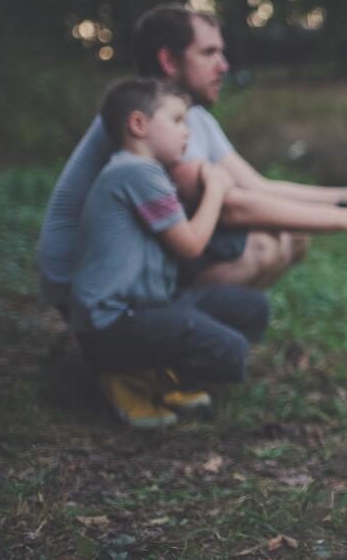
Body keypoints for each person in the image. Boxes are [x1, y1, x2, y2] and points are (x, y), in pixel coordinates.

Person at [38, 2, 347, 309]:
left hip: (131, 265)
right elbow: (232, 205)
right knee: (262, 245)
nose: (223, 65)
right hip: (83, 286)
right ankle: (159, 351)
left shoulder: (190, 116)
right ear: (168, 60)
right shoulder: (151, 126)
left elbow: (257, 186)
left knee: (292, 235)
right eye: (209, 53)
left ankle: (188, 341)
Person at [70, 77, 270, 429]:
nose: (187, 133)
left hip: (148, 308)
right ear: (138, 124)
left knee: (253, 308)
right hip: (112, 325)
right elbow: (192, 244)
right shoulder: (136, 172)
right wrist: (217, 188)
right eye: (177, 121)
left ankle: (155, 372)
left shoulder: (143, 172)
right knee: (230, 351)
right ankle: (125, 376)